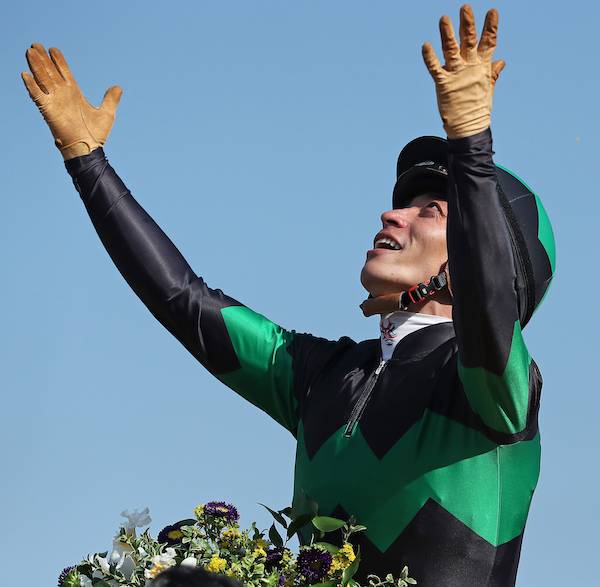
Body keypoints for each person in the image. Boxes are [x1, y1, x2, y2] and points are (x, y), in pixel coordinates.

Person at [22, 5, 554, 586]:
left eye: (430, 209)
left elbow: (489, 313)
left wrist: (471, 145)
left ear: (474, 260)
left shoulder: (495, 389)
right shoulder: (320, 377)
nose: (391, 213)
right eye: (403, 201)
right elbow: (186, 302)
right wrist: (87, 163)